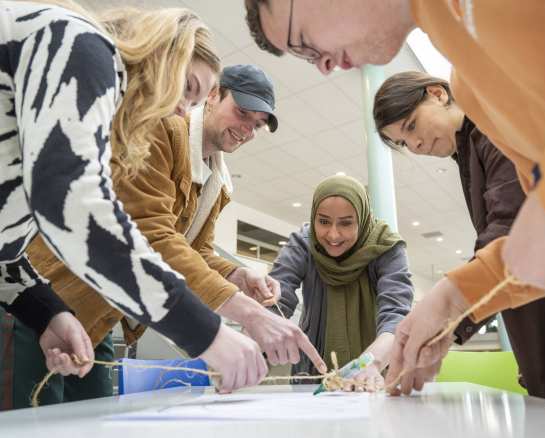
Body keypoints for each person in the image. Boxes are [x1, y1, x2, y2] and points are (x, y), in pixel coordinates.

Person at [245, 0, 545, 398]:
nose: (323, 66)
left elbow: (536, 223)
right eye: (405, 140)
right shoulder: (469, 78)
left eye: (304, 42)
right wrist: (453, 303)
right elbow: (534, 239)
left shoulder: (477, 74)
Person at [0, 0, 266, 409]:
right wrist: (206, 333)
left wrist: (48, 313)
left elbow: (6, 253)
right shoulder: (83, 44)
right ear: (162, 50)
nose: (181, 109)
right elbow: (75, 206)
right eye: (188, 88)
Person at [18, 64, 325, 407]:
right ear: (212, 96)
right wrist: (248, 314)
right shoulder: (165, 130)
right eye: (242, 113)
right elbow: (153, 236)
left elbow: (198, 250)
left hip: (104, 311)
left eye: (257, 125)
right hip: (49, 297)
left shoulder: (216, 183)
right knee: (27, 418)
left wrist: (238, 274)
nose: (247, 130)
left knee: (88, 423)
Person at [373, 71, 545, 409]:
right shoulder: (469, 151)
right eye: (404, 143)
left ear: (438, 94)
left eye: (411, 126)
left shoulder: (491, 127)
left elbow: (512, 232)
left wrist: (449, 312)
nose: (416, 145)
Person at [268, 175, 413, 390]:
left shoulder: (386, 248)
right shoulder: (303, 244)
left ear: (362, 219)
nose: (333, 235)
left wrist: (371, 363)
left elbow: (397, 315)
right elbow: (277, 299)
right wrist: (249, 346)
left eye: (346, 223)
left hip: (376, 373)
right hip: (313, 374)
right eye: (324, 222)